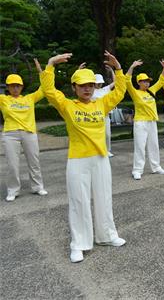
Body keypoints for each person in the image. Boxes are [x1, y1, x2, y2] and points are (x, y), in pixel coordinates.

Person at [40, 51, 127, 263]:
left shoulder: (101, 104)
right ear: (74, 88)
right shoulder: (68, 105)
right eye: (82, 85)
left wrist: (118, 69)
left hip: (100, 159)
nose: (87, 89)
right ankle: (79, 244)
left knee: (104, 197)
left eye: (90, 85)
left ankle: (107, 235)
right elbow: (49, 91)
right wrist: (50, 65)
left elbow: (121, 92)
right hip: (78, 160)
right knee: (79, 202)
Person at [1, 69, 47, 202]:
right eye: (12, 85)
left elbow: (44, 89)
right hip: (10, 134)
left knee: (34, 161)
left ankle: (38, 187)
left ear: (21, 87)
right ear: (8, 87)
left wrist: (42, 73)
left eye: (18, 85)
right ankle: (13, 190)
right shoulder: (3, 99)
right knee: (12, 164)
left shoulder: (30, 98)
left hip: (29, 133)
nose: (15, 88)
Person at [126, 60, 164, 180]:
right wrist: (132, 66)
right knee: (140, 146)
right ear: (139, 82)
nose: (147, 83)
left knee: (154, 145)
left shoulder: (152, 91)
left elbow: (161, 81)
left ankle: (156, 167)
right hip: (140, 122)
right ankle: (137, 170)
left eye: (148, 81)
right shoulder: (135, 93)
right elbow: (127, 81)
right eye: (144, 81)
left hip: (152, 122)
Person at [86, 64, 116, 157]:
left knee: (107, 135)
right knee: (94, 134)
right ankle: (95, 150)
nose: (99, 84)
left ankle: (107, 150)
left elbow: (116, 82)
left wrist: (112, 71)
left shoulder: (105, 89)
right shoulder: (90, 91)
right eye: (97, 83)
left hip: (105, 115)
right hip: (93, 116)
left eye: (100, 83)